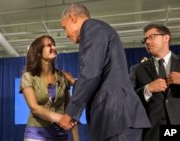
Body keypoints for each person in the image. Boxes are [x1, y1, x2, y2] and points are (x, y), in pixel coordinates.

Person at [59, 3, 151, 141]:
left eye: (64, 27)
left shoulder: (91, 28)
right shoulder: (98, 30)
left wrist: (70, 112)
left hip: (117, 118)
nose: (66, 34)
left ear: (72, 18)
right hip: (115, 119)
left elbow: (90, 74)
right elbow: (101, 77)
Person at [20, 35, 79, 141]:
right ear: (38, 52)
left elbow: (70, 111)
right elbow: (34, 108)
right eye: (49, 45)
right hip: (36, 134)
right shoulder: (28, 77)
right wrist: (61, 118)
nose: (54, 48)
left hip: (60, 135)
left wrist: (76, 139)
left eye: (54, 45)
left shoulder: (63, 76)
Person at [130, 23, 180, 141]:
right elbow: (128, 99)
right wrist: (147, 89)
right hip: (152, 134)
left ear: (166, 37)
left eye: (152, 37)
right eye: (145, 39)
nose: (147, 42)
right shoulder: (137, 70)